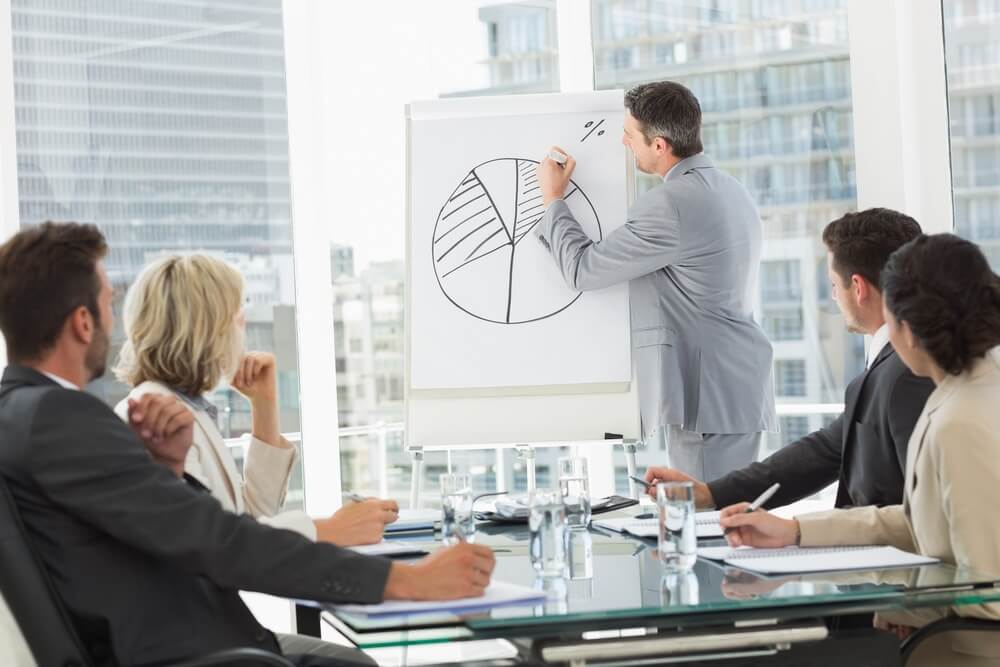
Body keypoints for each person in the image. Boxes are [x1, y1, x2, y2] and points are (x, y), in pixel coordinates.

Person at [0, 222, 495, 667]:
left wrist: (169, 471)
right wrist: (406, 583)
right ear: (83, 322)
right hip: (185, 648)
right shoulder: (61, 418)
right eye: (108, 302)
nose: (115, 320)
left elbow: (162, 527)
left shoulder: (20, 413)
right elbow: (216, 536)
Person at [718, 233, 1000, 666]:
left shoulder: (962, 419)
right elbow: (921, 523)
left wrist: (909, 608)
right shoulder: (961, 392)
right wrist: (793, 532)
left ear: (906, 327)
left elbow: (988, 592)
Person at [535, 80, 776, 480]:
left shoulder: (671, 205)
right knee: (728, 521)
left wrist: (553, 200)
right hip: (734, 387)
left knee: (705, 526)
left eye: (630, 135)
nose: (624, 142)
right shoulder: (730, 189)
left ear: (660, 145)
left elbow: (584, 269)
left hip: (707, 397)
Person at [642, 208, 934, 510]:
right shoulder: (890, 363)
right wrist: (709, 493)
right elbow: (822, 452)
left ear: (858, 288)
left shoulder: (910, 372)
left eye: (834, 285)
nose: (834, 296)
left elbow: (921, 514)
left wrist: (797, 531)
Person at [113, 254, 395, 547]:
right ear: (206, 332)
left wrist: (264, 404)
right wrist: (330, 530)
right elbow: (211, 542)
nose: (243, 331)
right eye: (238, 319)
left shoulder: (188, 407)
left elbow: (253, 514)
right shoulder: (155, 417)